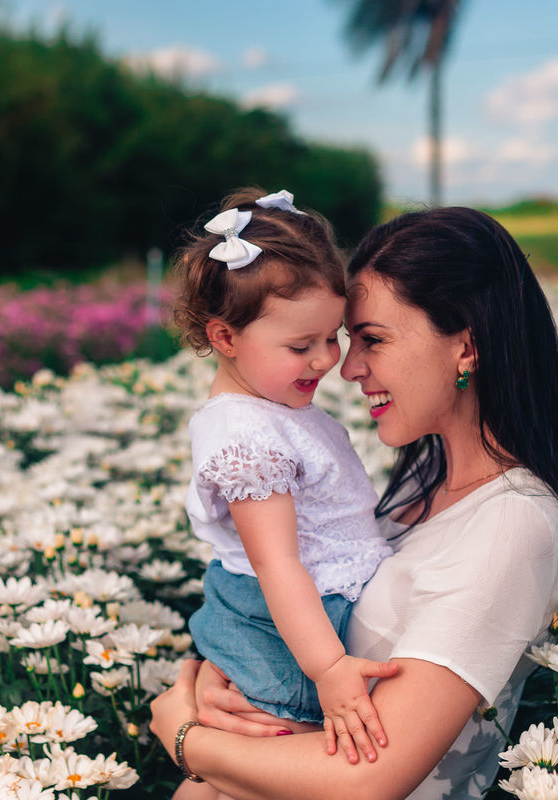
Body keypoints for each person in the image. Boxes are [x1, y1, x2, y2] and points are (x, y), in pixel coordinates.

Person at [152, 206, 558, 799]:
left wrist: (186, 736)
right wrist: (220, 680)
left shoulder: (514, 523)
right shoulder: (421, 483)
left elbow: (369, 781)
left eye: (371, 339)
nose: (345, 367)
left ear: (467, 347)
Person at [171, 187, 400, 799]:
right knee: (255, 765)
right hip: (285, 623)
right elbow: (277, 563)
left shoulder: (271, 407)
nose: (327, 359)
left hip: (302, 609)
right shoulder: (247, 432)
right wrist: (328, 669)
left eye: (333, 337)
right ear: (224, 338)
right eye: (301, 346)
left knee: (247, 767)